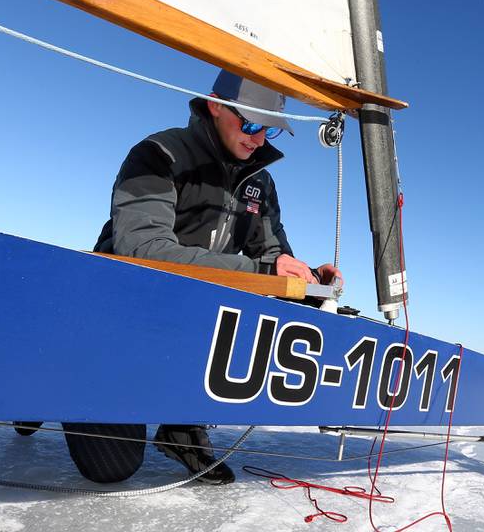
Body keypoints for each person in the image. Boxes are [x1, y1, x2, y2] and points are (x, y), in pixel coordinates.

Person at [51, 70, 341, 485]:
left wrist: (308, 277)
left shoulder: (259, 183)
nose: (258, 139)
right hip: (118, 313)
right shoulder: (158, 154)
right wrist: (260, 270)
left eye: (269, 131)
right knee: (110, 467)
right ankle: (49, 387)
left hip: (186, 320)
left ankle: (182, 427)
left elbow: (272, 254)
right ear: (216, 105)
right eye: (252, 124)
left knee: (240, 318)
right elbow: (141, 249)